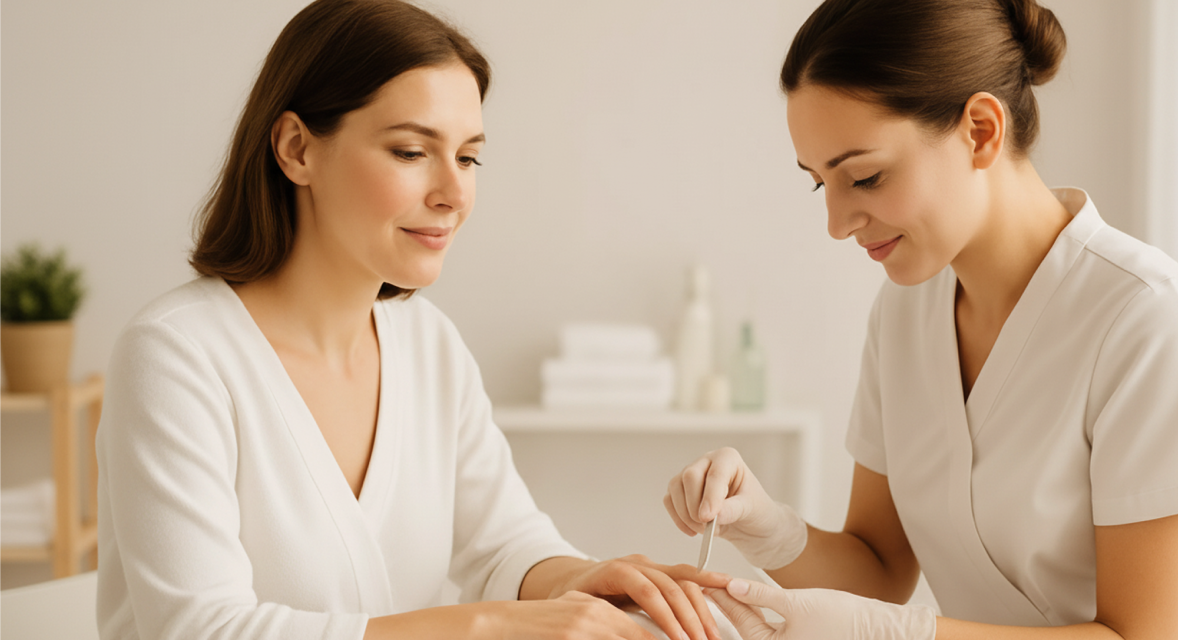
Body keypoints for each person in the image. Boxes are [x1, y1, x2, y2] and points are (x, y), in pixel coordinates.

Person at [95, 1, 731, 639]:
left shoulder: (428, 346)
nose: (452, 193)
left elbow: (502, 543)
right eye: (410, 151)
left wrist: (580, 580)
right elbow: (197, 629)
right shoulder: (175, 356)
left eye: (469, 158)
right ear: (296, 150)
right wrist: (487, 625)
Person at [664, 0, 1178, 638]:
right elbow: (879, 570)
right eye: (822, 184)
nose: (837, 225)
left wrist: (909, 635)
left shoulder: (1143, 321)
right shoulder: (905, 313)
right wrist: (767, 526)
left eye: (867, 177)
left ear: (982, 132)